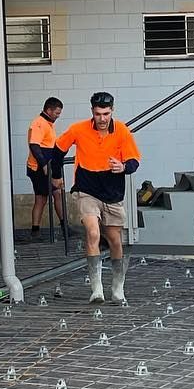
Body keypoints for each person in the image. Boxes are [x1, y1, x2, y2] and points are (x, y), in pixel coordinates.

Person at [56, 91, 140, 303]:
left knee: (114, 240)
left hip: (112, 192)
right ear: (92, 112)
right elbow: (57, 150)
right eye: (98, 114)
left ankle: (118, 287)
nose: (102, 119)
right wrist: (56, 176)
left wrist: (122, 166)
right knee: (93, 232)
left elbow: (134, 161)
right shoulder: (79, 129)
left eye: (106, 113)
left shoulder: (121, 130)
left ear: (112, 111)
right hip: (86, 189)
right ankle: (96, 289)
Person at [24, 96, 67, 240]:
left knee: (56, 194)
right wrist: (43, 165)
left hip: (48, 166)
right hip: (39, 168)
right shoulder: (39, 123)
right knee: (42, 198)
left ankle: (63, 225)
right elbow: (35, 146)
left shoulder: (47, 123)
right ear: (49, 110)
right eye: (57, 113)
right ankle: (36, 230)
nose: (58, 116)